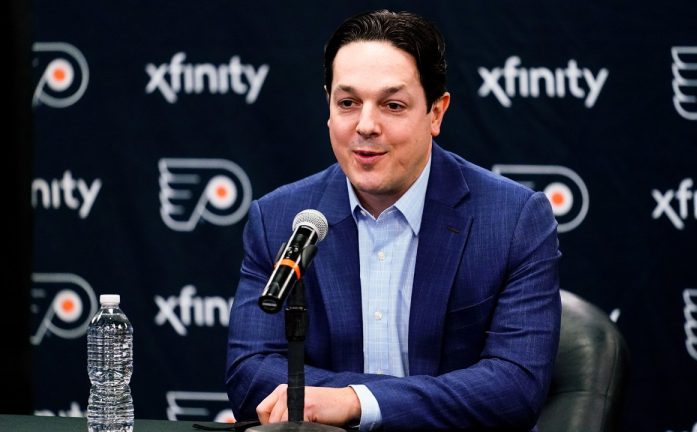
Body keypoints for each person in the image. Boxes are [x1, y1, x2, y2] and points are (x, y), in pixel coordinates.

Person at [226, 9, 561, 431]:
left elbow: (515, 387)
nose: (366, 126)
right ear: (328, 108)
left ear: (436, 113)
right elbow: (249, 373)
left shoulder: (512, 220)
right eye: (348, 103)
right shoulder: (280, 219)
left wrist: (356, 402)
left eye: (393, 104)